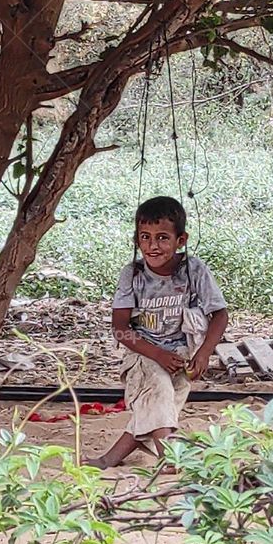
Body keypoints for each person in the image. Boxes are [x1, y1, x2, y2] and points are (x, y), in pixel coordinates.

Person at [86, 195, 228, 469]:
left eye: (163, 238)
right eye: (145, 237)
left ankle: (108, 460)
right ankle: (172, 460)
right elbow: (120, 329)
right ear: (136, 240)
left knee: (155, 412)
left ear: (181, 240)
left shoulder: (193, 270)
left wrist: (203, 353)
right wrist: (157, 354)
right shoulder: (132, 274)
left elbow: (220, 315)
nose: (153, 246)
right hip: (143, 353)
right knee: (159, 399)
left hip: (182, 356)